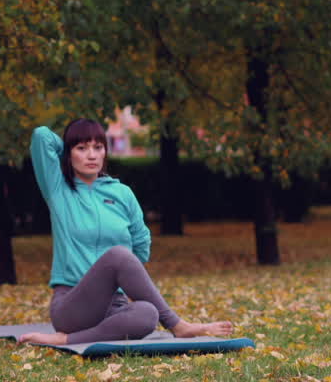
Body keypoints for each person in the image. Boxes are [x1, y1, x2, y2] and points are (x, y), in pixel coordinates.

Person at [19, 120, 234, 346]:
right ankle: (178, 326)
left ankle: (66, 340)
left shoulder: (122, 193)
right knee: (118, 255)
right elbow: (41, 136)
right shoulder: (59, 190)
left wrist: (121, 276)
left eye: (98, 147)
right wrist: (69, 145)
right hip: (72, 305)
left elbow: (141, 244)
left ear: (105, 152)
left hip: (115, 305)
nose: (91, 155)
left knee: (148, 313)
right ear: (69, 154)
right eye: (81, 148)